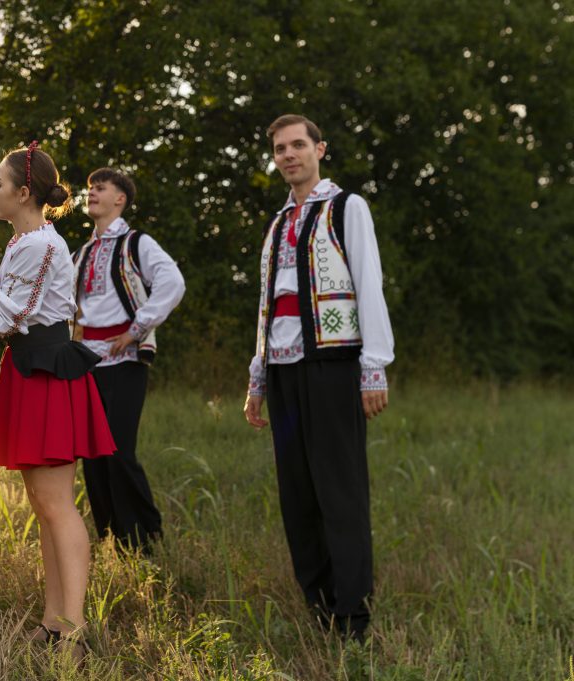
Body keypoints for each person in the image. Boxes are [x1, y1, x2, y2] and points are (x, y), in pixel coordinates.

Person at [243, 114, 394, 642]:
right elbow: (267, 304)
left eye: (298, 145)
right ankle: (320, 604)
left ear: (319, 149)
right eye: (280, 147)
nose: (289, 154)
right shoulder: (277, 223)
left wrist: (373, 365)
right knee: (298, 493)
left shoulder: (345, 206)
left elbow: (368, 282)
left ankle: (353, 615)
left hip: (333, 365)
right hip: (283, 371)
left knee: (340, 489)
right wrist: (257, 377)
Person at [0, 141, 116, 661]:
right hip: (29, 371)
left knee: (56, 506)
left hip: (48, 374)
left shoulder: (40, 246)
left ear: (23, 192)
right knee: (44, 504)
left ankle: (72, 633)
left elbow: (3, 318)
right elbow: (2, 305)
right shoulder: (23, 241)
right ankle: (53, 622)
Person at [71, 167, 185, 551]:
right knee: (93, 455)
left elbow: (173, 283)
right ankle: (110, 540)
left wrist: (137, 330)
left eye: (100, 188)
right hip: (87, 361)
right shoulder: (82, 252)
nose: (91, 194)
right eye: (89, 189)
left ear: (120, 199)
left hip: (125, 358)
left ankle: (144, 539)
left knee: (118, 450)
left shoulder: (137, 243)